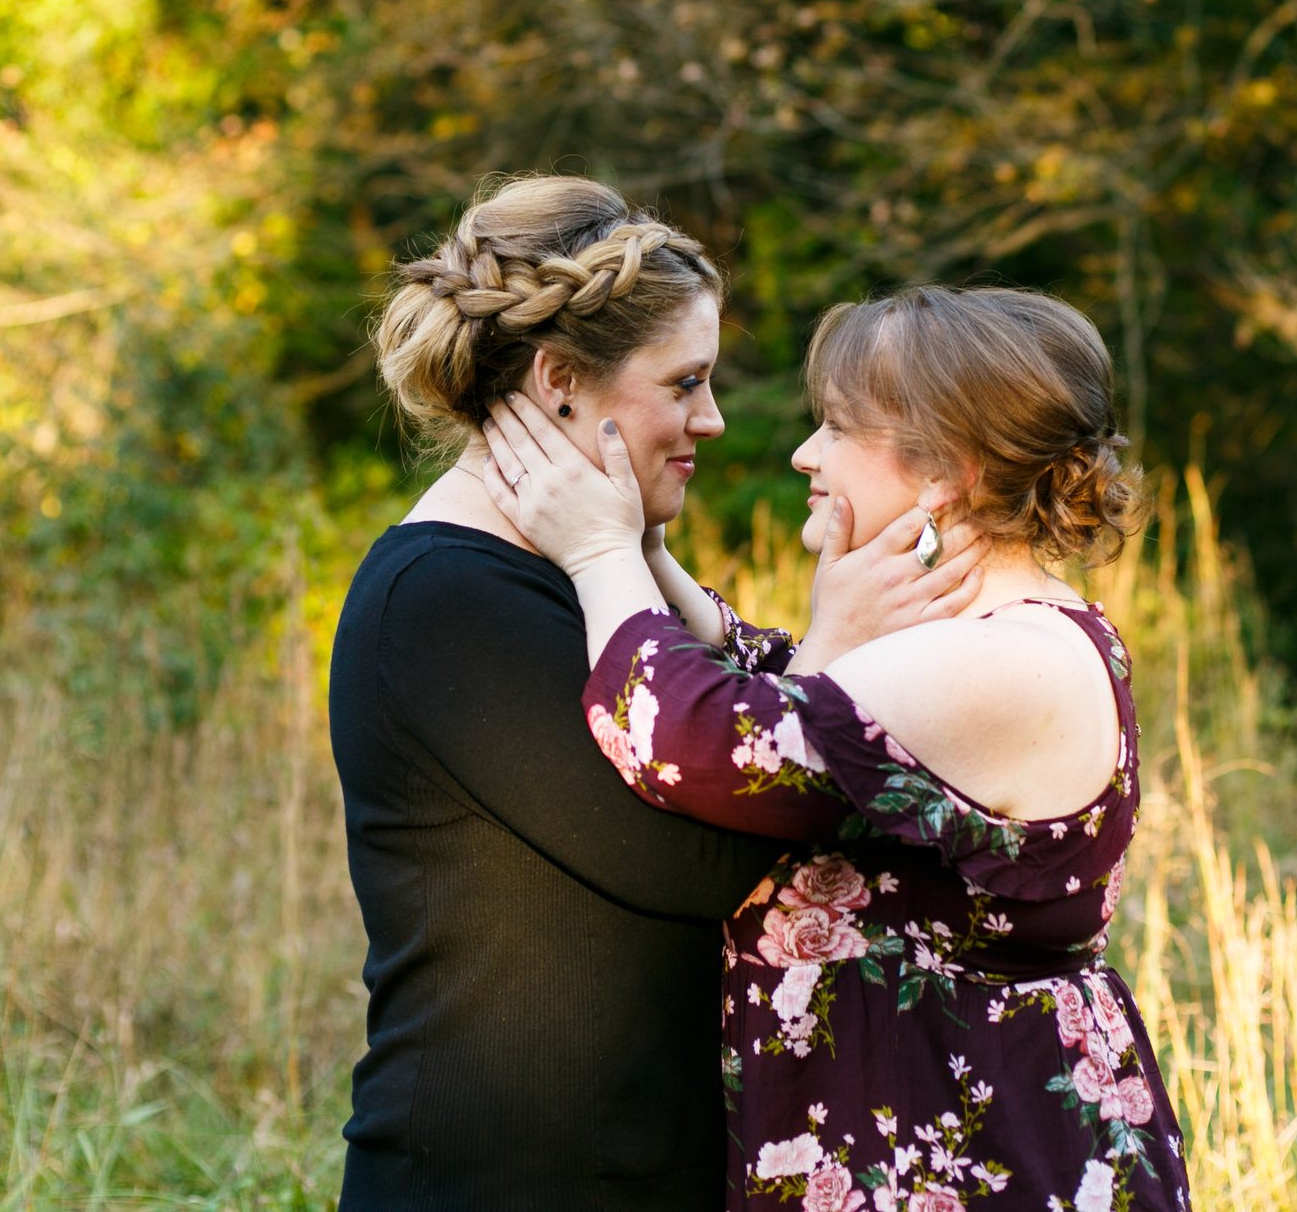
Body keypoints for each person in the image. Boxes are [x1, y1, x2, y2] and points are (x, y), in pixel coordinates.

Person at [330, 176, 980, 1211]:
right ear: (558, 381)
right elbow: (698, 857)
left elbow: (710, 725)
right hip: (501, 1183)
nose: (711, 419)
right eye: (683, 381)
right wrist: (834, 644)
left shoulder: (587, 582)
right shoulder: (443, 600)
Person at [482, 285, 1193, 1212]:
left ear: (945, 470)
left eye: (838, 428)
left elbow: (698, 739)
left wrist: (596, 554)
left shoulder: (1004, 662)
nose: (803, 452)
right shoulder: (991, 635)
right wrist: (649, 549)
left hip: (988, 1171)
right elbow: (801, 693)